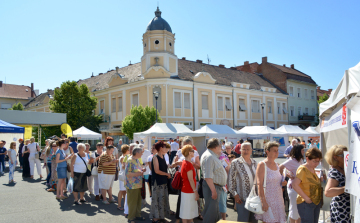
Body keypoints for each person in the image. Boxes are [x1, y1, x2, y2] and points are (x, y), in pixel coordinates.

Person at [255, 141, 287, 223]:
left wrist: (283, 183)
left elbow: (278, 181)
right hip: (268, 199)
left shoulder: (277, 165)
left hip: (279, 199)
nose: (277, 152)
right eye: (274, 150)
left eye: (277, 150)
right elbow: (259, 185)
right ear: (267, 152)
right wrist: (263, 202)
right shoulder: (262, 164)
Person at [228, 142, 257, 222]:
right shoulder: (235, 162)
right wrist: (235, 195)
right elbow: (230, 180)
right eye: (244, 149)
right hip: (242, 198)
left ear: (251, 151)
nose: (246, 151)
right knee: (243, 220)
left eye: (248, 149)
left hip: (254, 198)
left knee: (254, 220)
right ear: (240, 150)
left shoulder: (255, 162)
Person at [200, 138, 227, 223]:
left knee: (214, 213)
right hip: (212, 187)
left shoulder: (211, 155)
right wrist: (213, 191)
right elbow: (208, 176)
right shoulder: (209, 156)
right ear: (216, 146)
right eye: (220, 146)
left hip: (214, 186)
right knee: (210, 214)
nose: (221, 148)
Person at [292, 148, 323, 223]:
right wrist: (306, 198)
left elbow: (309, 182)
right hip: (306, 203)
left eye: (318, 161)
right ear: (307, 159)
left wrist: (319, 180)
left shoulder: (312, 168)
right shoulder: (303, 169)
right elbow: (295, 184)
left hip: (314, 202)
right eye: (314, 161)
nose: (316, 163)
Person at [279, 144, 305, 223]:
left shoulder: (300, 160)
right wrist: (284, 177)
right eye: (303, 150)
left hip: (300, 187)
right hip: (293, 187)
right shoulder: (291, 160)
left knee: (299, 208)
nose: (304, 151)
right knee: (294, 207)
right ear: (298, 151)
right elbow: (280, 167)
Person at [324, 145, 350, 223]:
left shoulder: (345, 168)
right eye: (343, 155)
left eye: (347, 153)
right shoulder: (334, 171)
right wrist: (348, 188)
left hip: (348, 208)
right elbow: (328, 192)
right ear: (335, 157)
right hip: (341, 208)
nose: (346, 156)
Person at [150, 141, 171, 222]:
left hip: (163, 181)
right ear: (161, 148)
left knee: (162, 199)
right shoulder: (155, 157)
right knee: (156, 199)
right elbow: (157, 170)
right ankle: (155, 218)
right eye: (165, 147)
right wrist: (167, 174)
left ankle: (161, 217)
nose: (166, 148)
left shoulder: (163, 156)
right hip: (157, 182)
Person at [125, 146, 146, 222]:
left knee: (138, 201)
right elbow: (128, 174)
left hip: (138, 184)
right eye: (141, 153)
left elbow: (137, 169)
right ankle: (131, 218)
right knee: (132, 202)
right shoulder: (130, 160)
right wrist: (139, 173)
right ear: (137, 153)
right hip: (132, 185)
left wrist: (142, 170)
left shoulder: (136, 160)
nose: (142, 154)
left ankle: (137, 215)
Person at [179, 145, 199, 222]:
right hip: (189, 190)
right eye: (193, 151)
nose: (194, 152)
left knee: (186, 212)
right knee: (187, 212)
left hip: (186, 190)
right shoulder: (188, 164)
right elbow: (191, 179)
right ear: (190, 152)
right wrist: (195, 192)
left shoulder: (185, 162)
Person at [118, 144, 130, 210]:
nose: (129, 151)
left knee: (125, 191)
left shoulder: (126, 156)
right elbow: (123, 166)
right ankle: (119, 205)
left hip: (125, 175)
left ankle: (125, 206)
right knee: (122, 190)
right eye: (128, 150)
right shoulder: (123, 157)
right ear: (126, 150)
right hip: (123, 175)